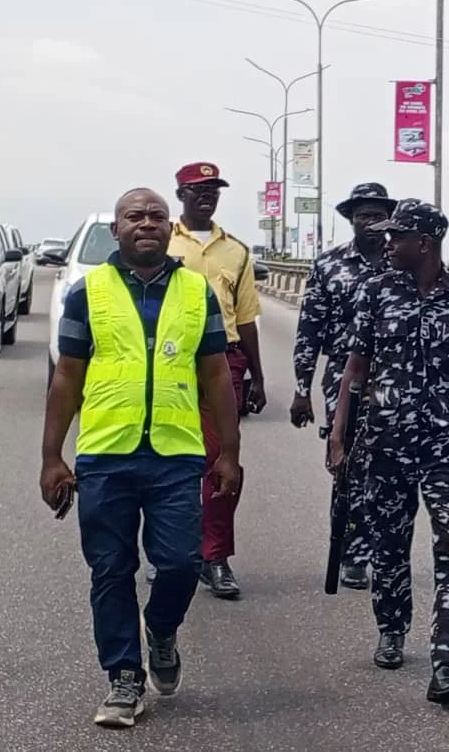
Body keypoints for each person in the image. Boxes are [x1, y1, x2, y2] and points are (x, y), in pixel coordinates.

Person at [40, 188, 241, 728]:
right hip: (106, 453)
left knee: (180, 564)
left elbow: (216, 373)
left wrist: (229, 453)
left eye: (156, 216)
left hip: (176, 454)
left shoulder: (195, 291)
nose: (146, 223)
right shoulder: (88, 292)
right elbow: (67, 375)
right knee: (110, 568)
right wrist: (52, 457)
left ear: (169, 227)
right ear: (118, 230)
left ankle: (162, 629)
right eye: (134, 216)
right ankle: (124, 676)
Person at [330, 199, 449, 702]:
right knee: (388, 545)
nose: (387, 242)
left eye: (397, 236)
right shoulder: (376, 292)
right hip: (384, 442)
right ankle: (392, 629)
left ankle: (446, 662)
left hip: (447, 446)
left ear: (425, 243)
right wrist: (339, 434)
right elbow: (355, 368)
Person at [290, 182, 397, 590]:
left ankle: (377, 549)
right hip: (344, 377)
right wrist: (302, 387)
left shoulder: (403, 262)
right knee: (349, 463)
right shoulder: (329, 266)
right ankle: (353, 549)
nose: (371, 222)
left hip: (394, 376)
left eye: (378, 215)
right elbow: (309, 328)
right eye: (363, 215)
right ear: (351, 219)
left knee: (386, 465)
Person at [167, 161, 266, 599]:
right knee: (167, 460)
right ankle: (170, 551)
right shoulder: (162, 241)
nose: (207, 196)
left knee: (224, 460)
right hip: (170, 360)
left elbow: (245, 318)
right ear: (181, 195)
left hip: (224, 359)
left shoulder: (237, 252)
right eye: (198, 189)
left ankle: (216, 557)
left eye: (214, 190)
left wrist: (258, 376)